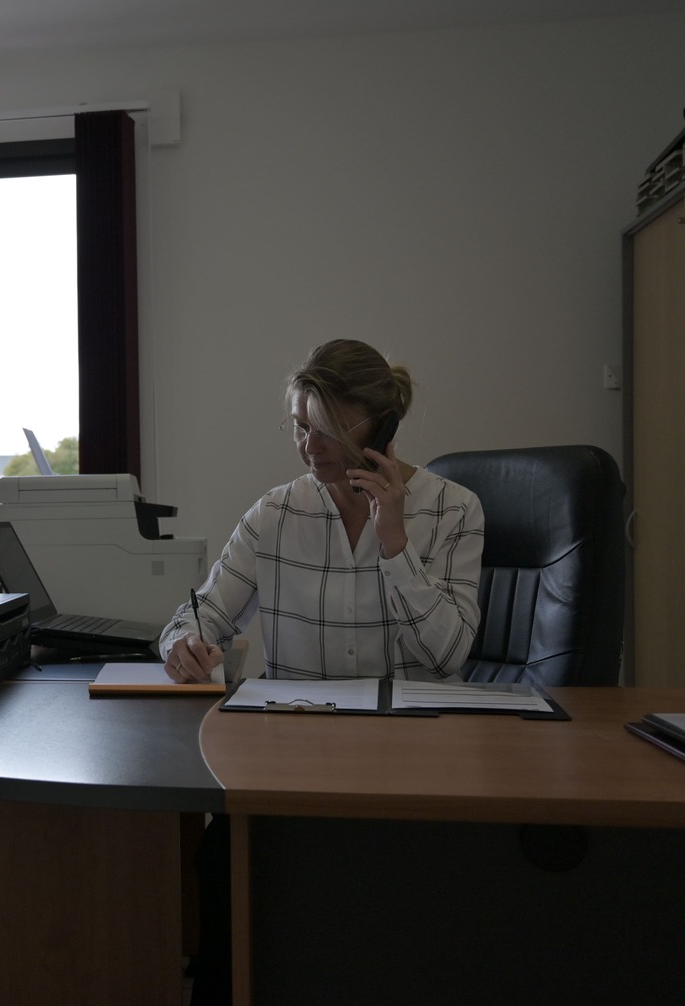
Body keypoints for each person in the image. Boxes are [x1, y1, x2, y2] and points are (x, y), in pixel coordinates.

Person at [162, 340, 485, 1006]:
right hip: (294, 763)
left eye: (328, 428)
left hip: (411, 768)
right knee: (219, 861)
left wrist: (394, 544)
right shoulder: (275, 515)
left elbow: (450, 654)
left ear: (381, 425)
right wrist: (185, 644)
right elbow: (199, 615)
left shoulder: (455, 511)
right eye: (300, 427)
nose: (310, 446)